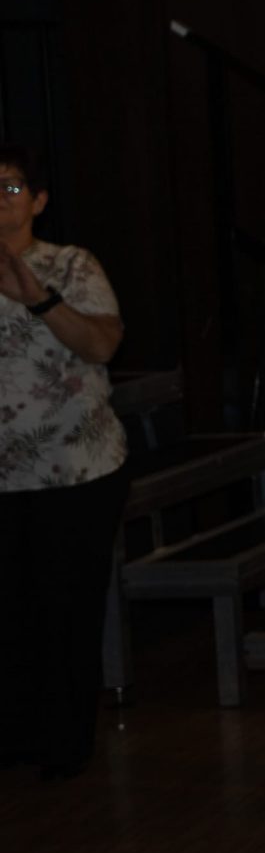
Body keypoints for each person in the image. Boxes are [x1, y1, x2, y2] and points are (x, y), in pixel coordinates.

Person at [0, 146, 129, 780]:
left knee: (64, 607)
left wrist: (41, 301)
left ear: (39, 199)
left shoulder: (71, 265)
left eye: (12, 188)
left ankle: (62, 747)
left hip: (73, 470)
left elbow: (104, 344)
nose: (1, 199)